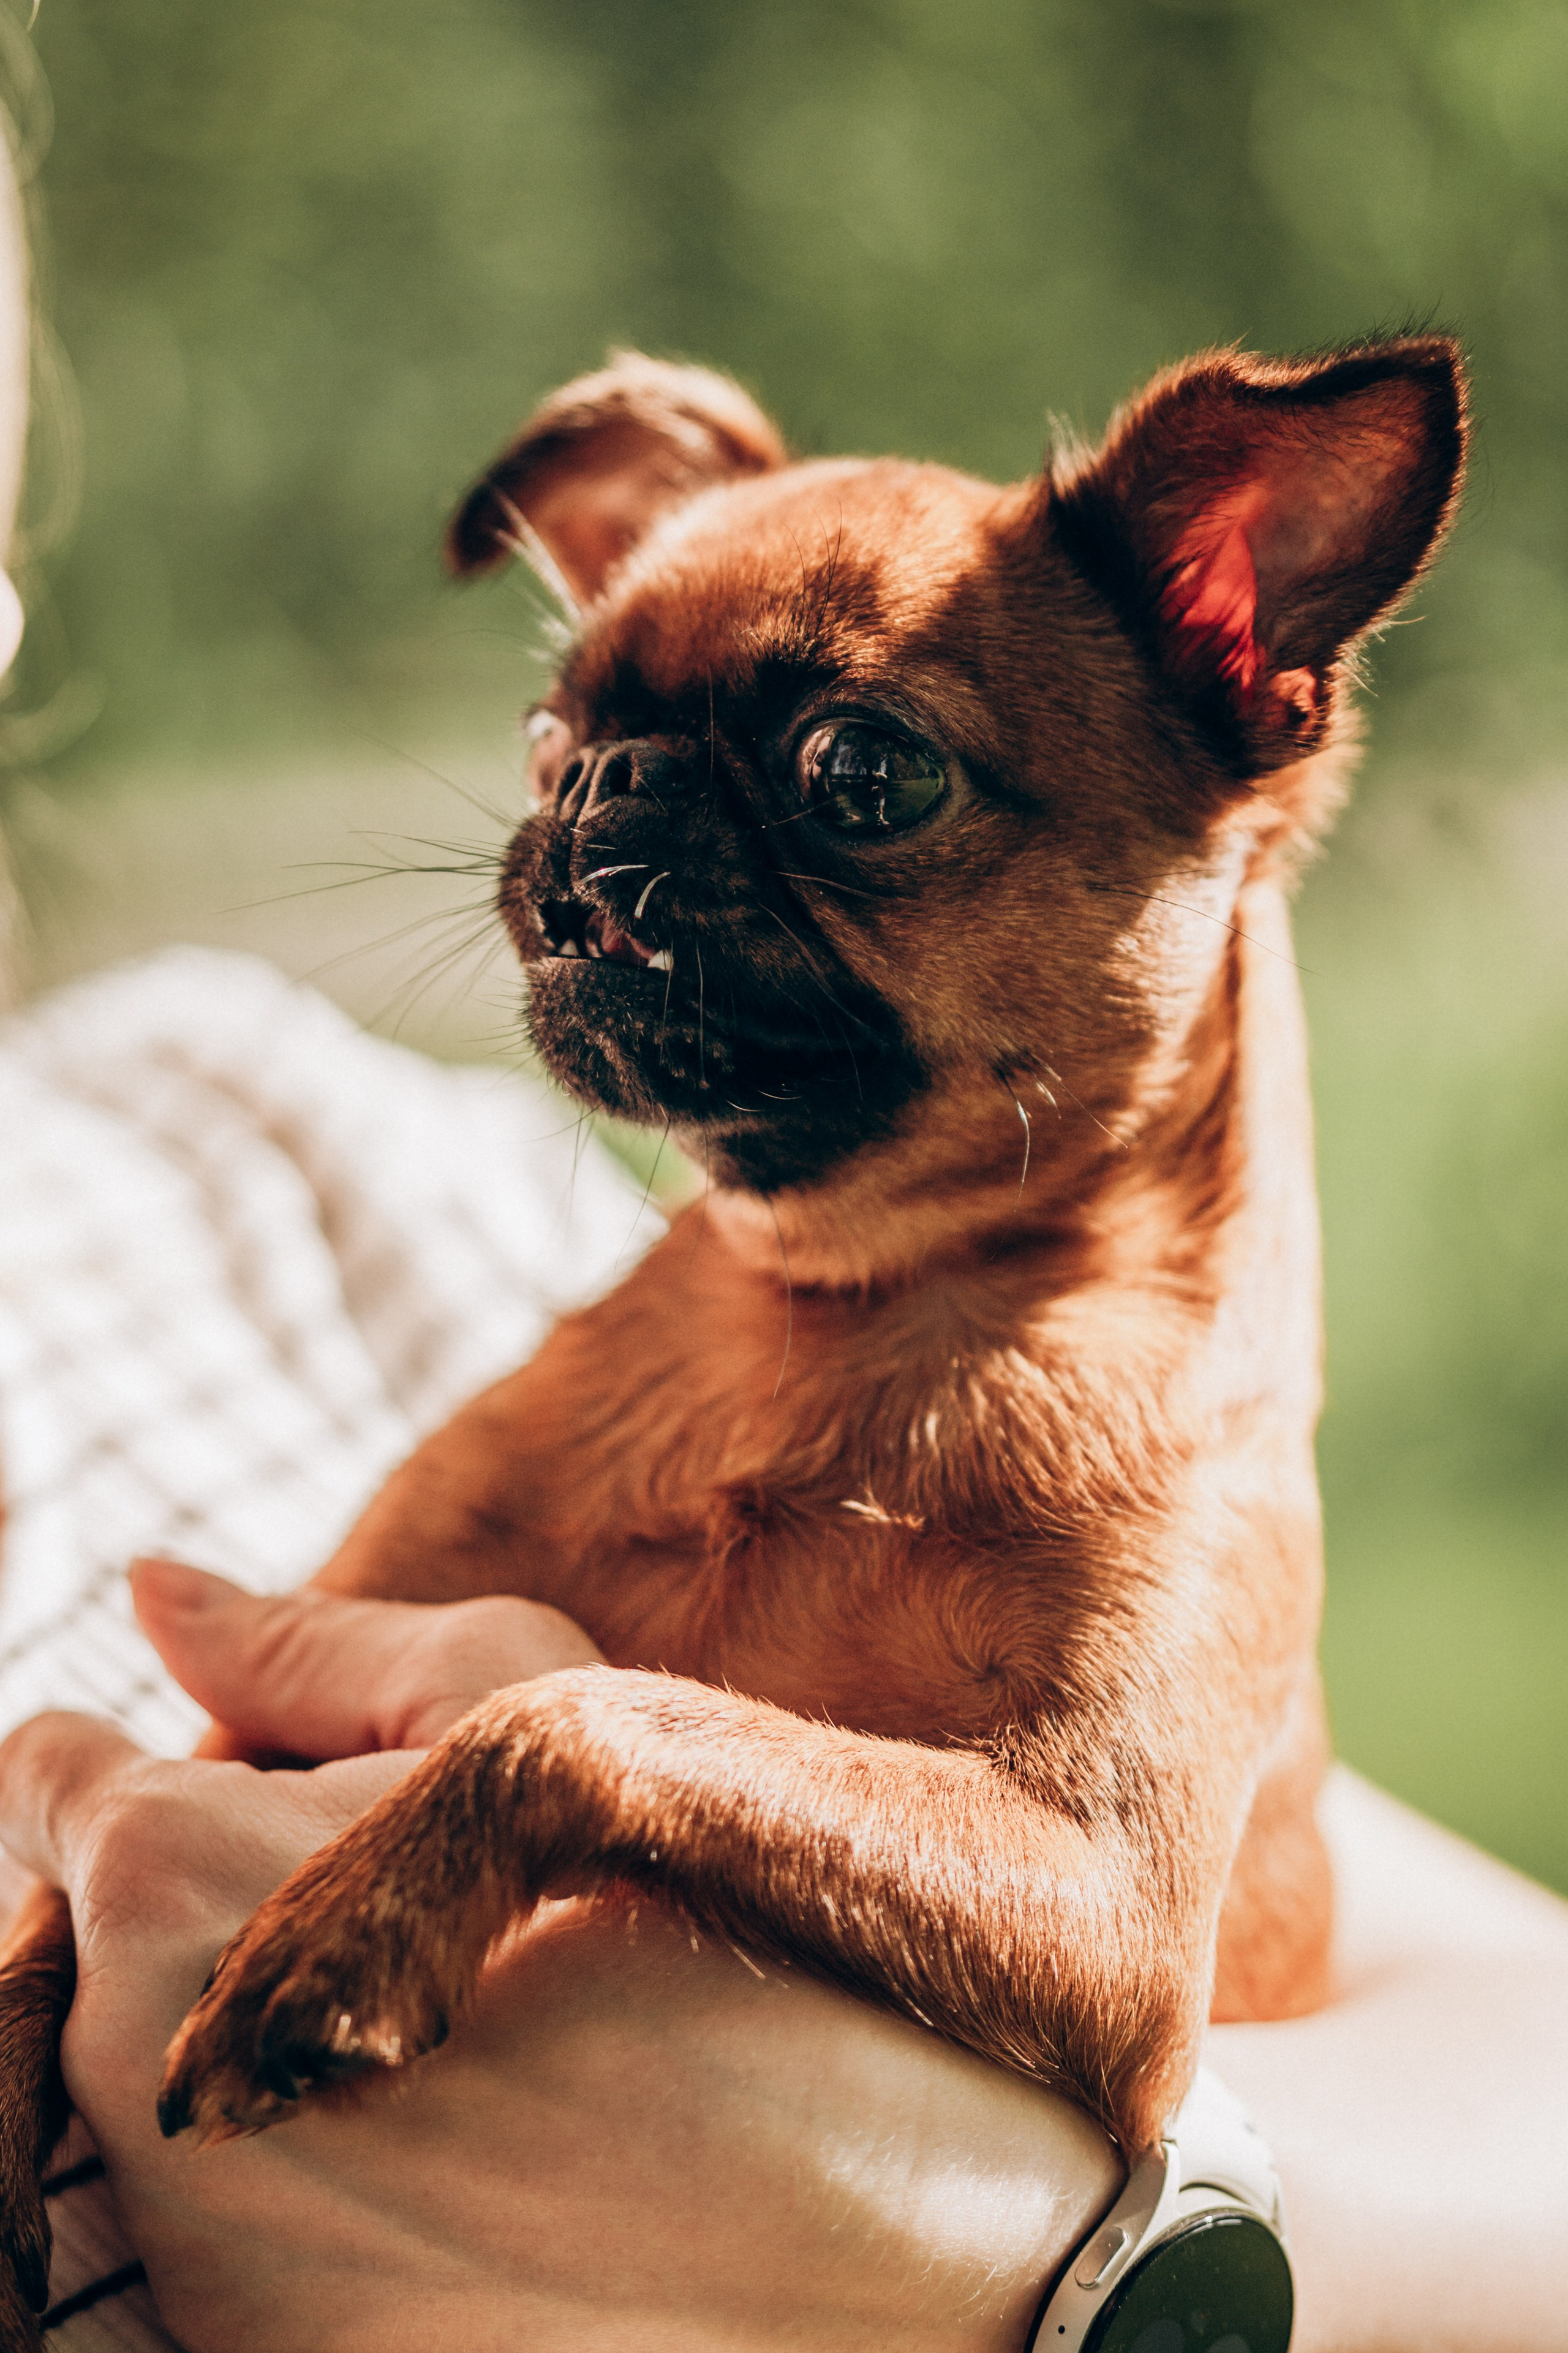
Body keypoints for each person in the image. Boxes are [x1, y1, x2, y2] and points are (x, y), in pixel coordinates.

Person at [0, 76, 1563, 2353]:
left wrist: (1070, 2255)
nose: (610, 846)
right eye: (578, 761)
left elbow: (1293, 1992)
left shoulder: (328, 1180)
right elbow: (192, 1799)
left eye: (861, 778)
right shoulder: (578, 1325)